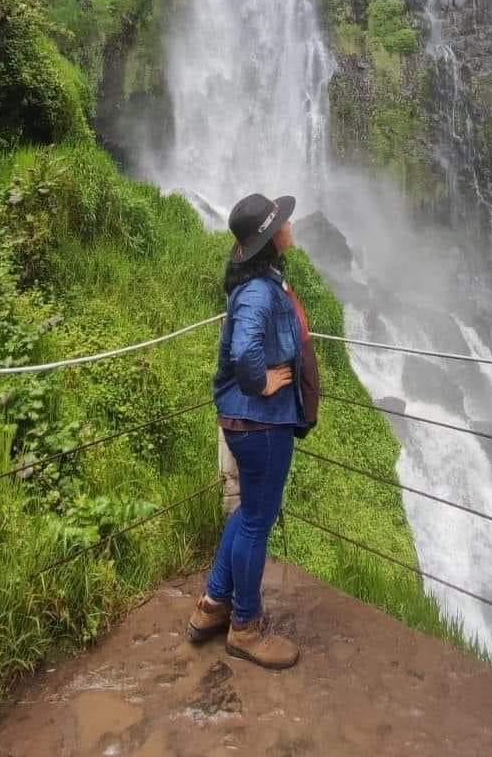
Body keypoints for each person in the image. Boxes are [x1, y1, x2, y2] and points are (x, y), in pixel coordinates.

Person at [186, 191, 319, 669]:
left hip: (253, 422)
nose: (289, 224)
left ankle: (212, 606)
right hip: (260, 424)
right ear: (269, 239)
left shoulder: (260, 282)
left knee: (248, 515)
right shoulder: (261, 292)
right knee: (258, 520)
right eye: (282, 221)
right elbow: (244, 352)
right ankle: (245, 625)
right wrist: (263, 381)